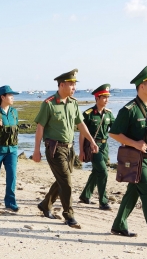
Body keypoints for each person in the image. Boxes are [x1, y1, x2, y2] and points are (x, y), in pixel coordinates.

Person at [108, 63, 147, 248]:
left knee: (133, 193)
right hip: (136, 161)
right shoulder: (129, 110)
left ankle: (119, 225)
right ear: (141, 86)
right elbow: (114, 133)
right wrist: (135, 143)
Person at [32, 69, 98, 228]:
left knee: (63, 179)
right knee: (67, 182)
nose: (74, 87)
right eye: (71, 84)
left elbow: (80, 124)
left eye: (75, 84)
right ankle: (69, 215)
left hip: (70, 149)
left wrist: (92, 141)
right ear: (62, 85)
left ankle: (45, 204)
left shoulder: (73, 103)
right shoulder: (49, 104)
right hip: (55, 148)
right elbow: (40, 127)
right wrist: (36, 150)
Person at [78, 84, 115, 210]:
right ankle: (103, 201)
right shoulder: (88, 114)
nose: (106, 100)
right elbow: (82, 133)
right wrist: (81, 151)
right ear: (97, 98)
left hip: (105, 146)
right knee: (103, 172)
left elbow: (116, 130)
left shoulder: (109, 114)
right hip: (93, 146)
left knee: (96, 171)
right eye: (104, 97)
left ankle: (85, 195)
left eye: (107, 97)